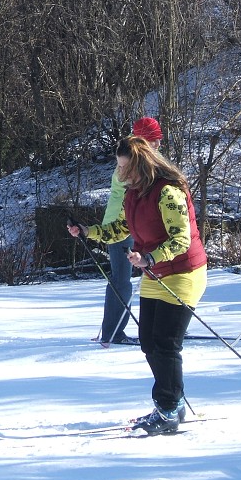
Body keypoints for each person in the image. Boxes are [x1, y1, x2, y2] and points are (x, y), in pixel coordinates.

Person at [118, 135, 208, 435]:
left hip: (184, 272)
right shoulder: (135, 193)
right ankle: (174, 401)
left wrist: (149, 258)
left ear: (141, 165)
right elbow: (122, 227)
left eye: (125, 168)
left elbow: (181, 240)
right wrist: (87, 230)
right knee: (148, 342)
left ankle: (167, 408)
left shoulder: (168, 192)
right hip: (156, 273)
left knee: (166, 343)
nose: (121, 175)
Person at [66, 117, 164, 345]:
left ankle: (168, 324)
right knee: (121, 280)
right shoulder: (129, 164)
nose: (158, 144)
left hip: (134, 225)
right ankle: (113, 332)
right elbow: (128, 204)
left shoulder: (144, 161)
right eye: (154, 140)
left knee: (156, 271)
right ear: (142, 141)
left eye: (158, 140)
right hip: (119, 227)